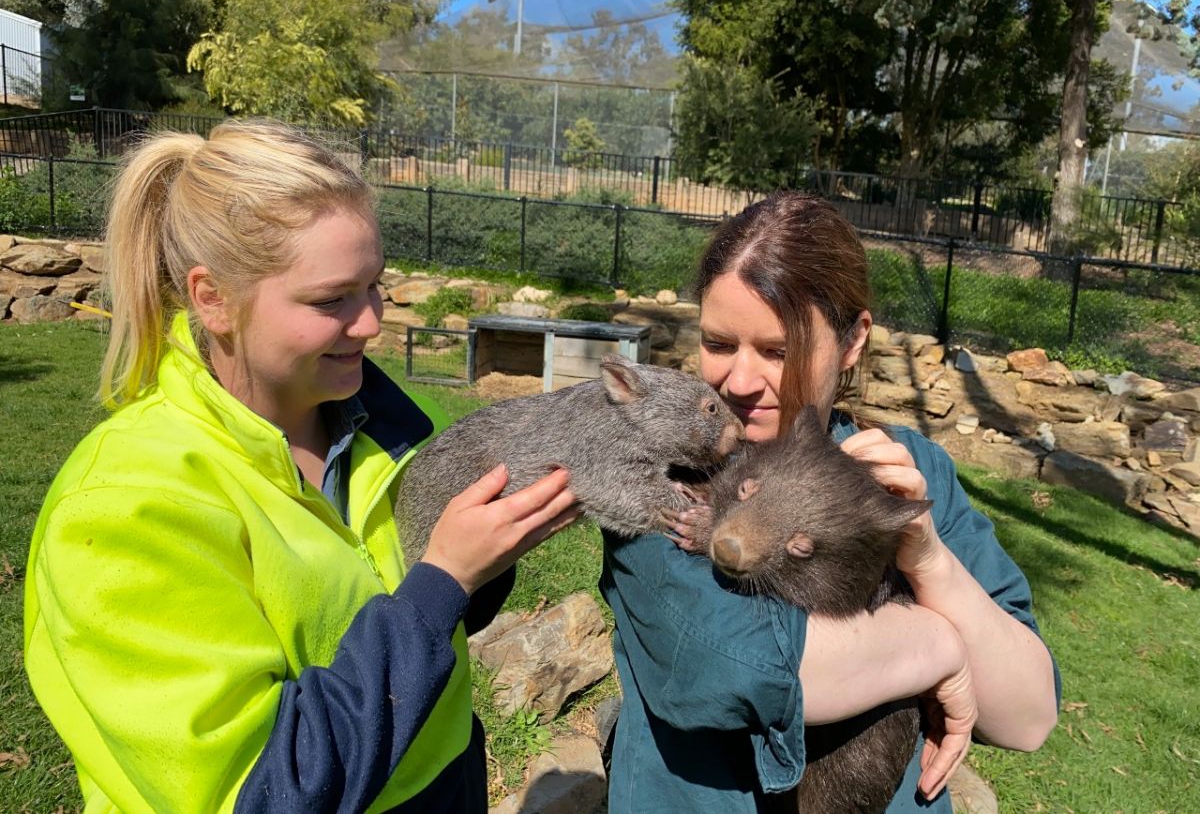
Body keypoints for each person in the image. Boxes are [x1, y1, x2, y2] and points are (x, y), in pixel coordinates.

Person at [23, 121, 578, 813]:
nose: (373, 322)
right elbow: (268, 792)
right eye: (330, 299)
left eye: (375, 285)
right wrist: (446, 578)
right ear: (213, 299)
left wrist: (491, 556)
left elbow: (424, 622)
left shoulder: (382, 425)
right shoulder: (124, 506)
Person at [601, 191, 1060, 812]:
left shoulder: (910, 475)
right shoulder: (664, 471)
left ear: (852, 342)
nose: (738, 381)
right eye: (717, 342)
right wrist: (942, 647)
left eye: (778, 351)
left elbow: (1027, 716)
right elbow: (737, 662)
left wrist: (927, 560)